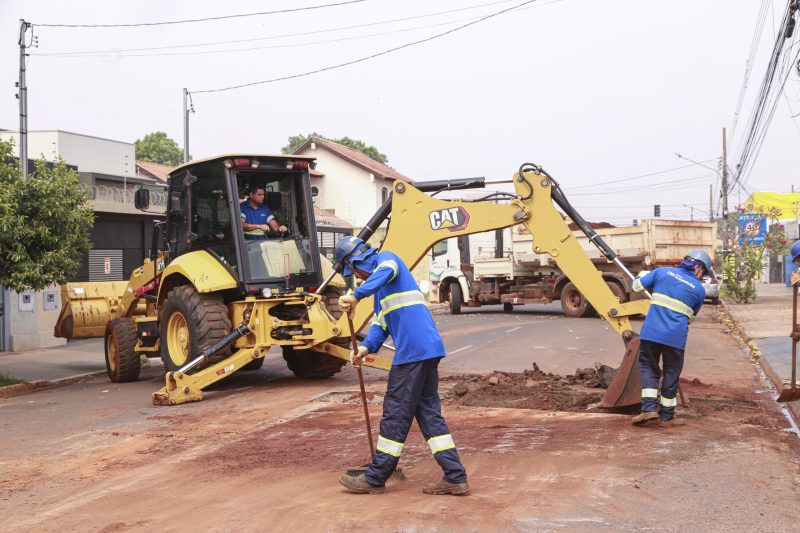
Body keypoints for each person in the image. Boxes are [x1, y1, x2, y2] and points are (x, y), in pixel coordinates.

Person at [334, 236, 469, 496]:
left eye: (355, 272)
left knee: (395, 413)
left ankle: (375, 478)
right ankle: (455, 476)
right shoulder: (379, 289)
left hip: (413, 353)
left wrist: (357, 296)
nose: (358, 278)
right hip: (426, 350)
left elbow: (386, 271)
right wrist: (364, 348)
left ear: (355, 262)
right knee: (429, 414)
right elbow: (381, 324)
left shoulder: (387, 260)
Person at [631, 249, 709, 428]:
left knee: (649, 368)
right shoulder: (699, 290)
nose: (702, 276)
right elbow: (690, 317)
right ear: (698, 267)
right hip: (675, 338)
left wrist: (640, 276)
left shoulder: (661, 272)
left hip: (651, 334)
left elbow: (636, 287)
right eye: (703, 272)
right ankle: (667, 417)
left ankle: (649, 408)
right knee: (671, 373)